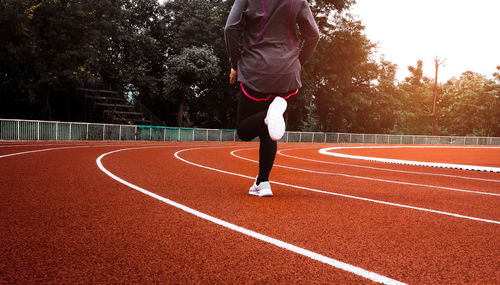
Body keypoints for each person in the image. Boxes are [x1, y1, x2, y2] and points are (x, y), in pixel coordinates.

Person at [224, 0, 319, 197]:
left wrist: (235, 63)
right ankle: (263, 182)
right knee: (271, 129)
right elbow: (314, 36)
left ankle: (266, 118)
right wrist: (297, 63)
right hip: (287, 74)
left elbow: (230, 28)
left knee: (244, 130)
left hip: (255, 70)